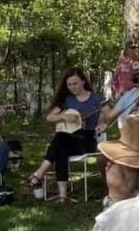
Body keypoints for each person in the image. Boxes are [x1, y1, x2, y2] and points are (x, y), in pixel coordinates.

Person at [23, 68, 105, 203]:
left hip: (88, 140)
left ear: (83, 81)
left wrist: (102, 122)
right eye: (69, 85)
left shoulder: (97, 99)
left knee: (60, 139)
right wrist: (64, 117)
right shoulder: (67, 100)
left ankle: (40, 174)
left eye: (75, 83)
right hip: (69, 140)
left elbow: (107, 115)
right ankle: (62, 196)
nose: (72, 87)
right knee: (61, 146)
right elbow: (49, 117)